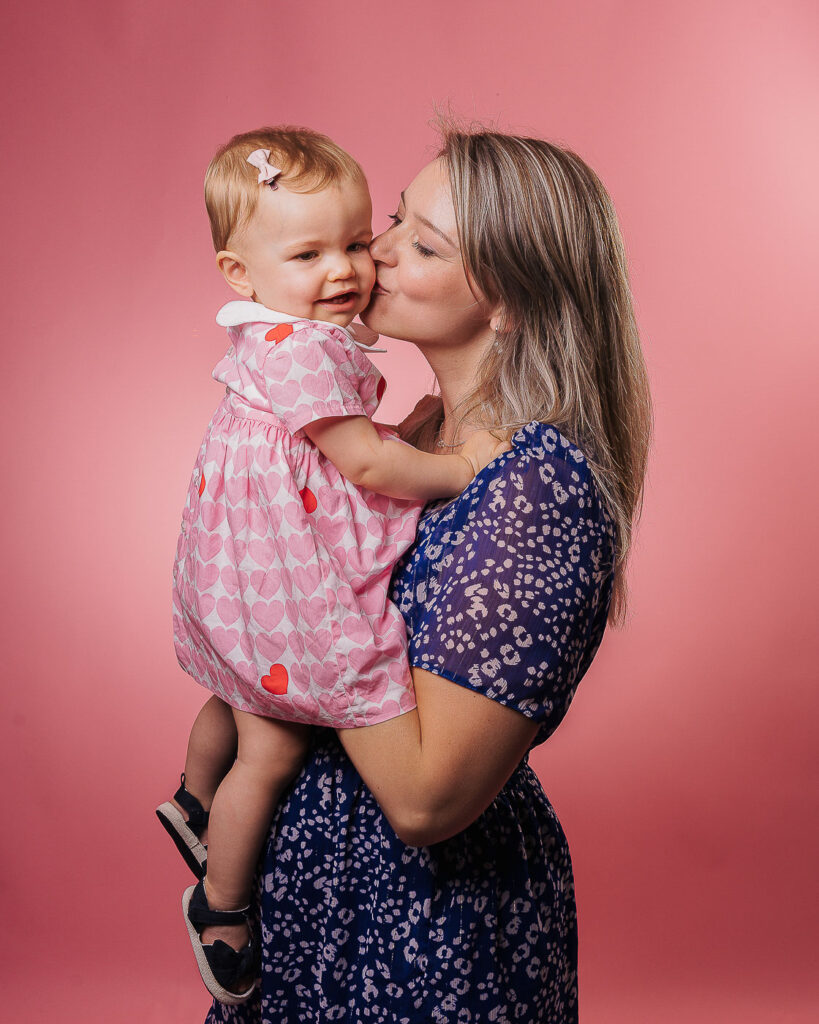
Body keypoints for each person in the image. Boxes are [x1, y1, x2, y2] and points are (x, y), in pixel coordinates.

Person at [204, 124, 651, 1024]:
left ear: (512, 306)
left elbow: (421, 798)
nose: (375, 253)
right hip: (322, 905)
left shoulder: (534, 486)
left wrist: (283, 586)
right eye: (396, 221)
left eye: (424, 244)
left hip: (426, 936)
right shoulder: (411, 437)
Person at [157, 126, 503, 1005]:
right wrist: (458, 465)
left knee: (235, 692)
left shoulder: (268, 326)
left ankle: (192, 800)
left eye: (355, 241)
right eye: (310, 252)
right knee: (270, 749)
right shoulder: (307, 349)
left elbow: (325, 446)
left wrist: (402, 435)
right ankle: (222, 905)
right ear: (241, 272)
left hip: (236, 558)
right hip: (283, 567)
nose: (349, 269)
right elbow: (367, 467)